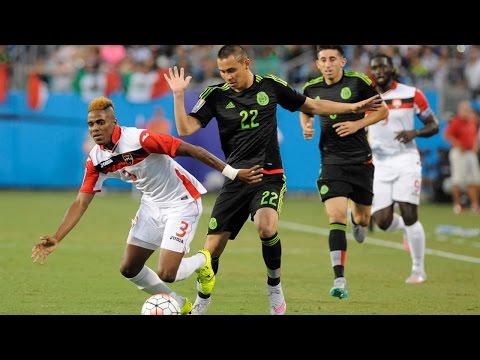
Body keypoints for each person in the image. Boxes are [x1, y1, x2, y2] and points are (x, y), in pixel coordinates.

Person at [164, 45, 383, 314]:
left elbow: (312, 104)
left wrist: (354, 107)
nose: (227, 76)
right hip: (235, 178)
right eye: (222, 71)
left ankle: (274, 288)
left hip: (269, 175)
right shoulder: (215, 95)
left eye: (232, 69)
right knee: (211, 251)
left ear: (246, 63)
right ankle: (203, 300)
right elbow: (186, 128)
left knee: (266, 227)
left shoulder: (270, 86)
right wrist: (178, 95)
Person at [31, 96, 263, 315]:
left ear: (114, 122)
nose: (95, 128)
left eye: (101, 122)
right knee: (129, 268)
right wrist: (57, 237)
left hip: (181, 202)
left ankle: (204, 261)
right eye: (91, 124)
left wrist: (232, 173)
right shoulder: (96, 159)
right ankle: (181, 305)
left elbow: (193, 150)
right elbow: (81, 201)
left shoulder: (140, 139)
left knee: (167, 272)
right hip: (151, 206)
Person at [299, 45, 389, 299]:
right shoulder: (311, 88)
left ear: (343, 61)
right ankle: (339, 279)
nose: (328, 64)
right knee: (335, 215)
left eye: (332, 59)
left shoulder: (358, 82)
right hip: (331, 161)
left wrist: (357, 123)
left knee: (362, 219)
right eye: (323, 60)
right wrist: (307, 126)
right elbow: (306, 111)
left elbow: (382, 110)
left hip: (360, 161)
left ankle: (357, 220)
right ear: (317, 64)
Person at [368, 53, 439, 284]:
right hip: (379, 163)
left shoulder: (411, 93)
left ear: (392, 69)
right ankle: (406, 232)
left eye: (382, 67)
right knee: (382, 221)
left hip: (406, 159)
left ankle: (418, 269)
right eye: (374, 68)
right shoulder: (366, 96)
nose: (378, 71)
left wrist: (414, 132)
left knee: (410, 214)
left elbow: (433, 124)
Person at [443, 100, 480, 214]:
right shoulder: (456, 122)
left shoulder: (471, 121)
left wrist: (475, 146)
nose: (467, 111)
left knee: (474, 180)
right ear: (460, 110)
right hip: (459, 152)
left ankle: (475, 205)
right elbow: (447, 135)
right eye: (465, 109)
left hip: (470, 153)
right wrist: (458, 144)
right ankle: (457, 205)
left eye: (468, 109)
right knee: (457, 180)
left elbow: (474, 136)